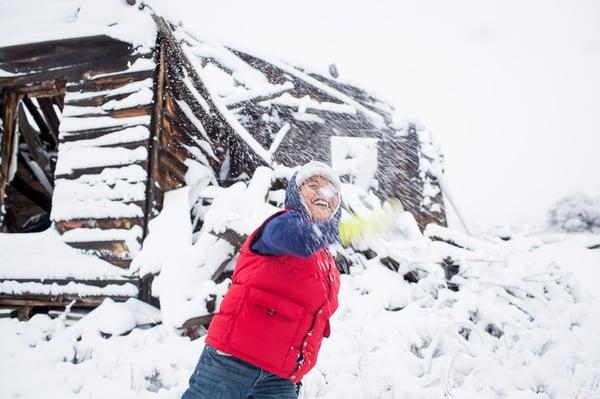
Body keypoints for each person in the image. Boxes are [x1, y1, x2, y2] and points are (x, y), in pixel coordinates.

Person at [182, 161, 342, 399]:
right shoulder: (283, 224)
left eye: (330, 189)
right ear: (296, 194)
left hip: (281, 376)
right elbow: (296, 237)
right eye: (313, 185)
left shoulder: (326, 260)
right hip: (233, 362)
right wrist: (338, 231)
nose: (322, 192)